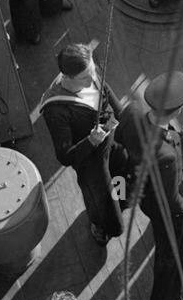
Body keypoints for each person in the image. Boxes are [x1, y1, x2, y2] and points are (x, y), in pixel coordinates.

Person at [114, 71, 183, 300]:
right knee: (171, 252)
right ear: (178, 109)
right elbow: (171, 200)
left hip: (138, 184)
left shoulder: (130, 112)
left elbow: (119, 139)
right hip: (160, 205)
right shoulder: (166, 155)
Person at [37, 43, 127, 247]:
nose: (93, 78)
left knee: (123, 168)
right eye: (86, 78)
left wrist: (124, 119)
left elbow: (107, 92)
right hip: (91, 159)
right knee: (102, 201)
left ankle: (120, 198)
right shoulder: (56, 110)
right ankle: (101, 225)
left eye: (93, 72)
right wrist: (90, 142)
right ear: (67, 78)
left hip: (110, 139)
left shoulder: (90, 71)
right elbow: (65, 155)